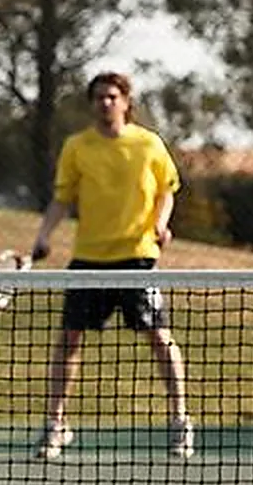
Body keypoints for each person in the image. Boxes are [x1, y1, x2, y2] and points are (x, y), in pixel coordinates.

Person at [28, 71, 193, 462]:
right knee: (68, 339)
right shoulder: (77, 147)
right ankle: (55, 425)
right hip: (89, 258)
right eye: (99, 97)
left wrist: (160, 224)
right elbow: (61, 199)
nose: (105, 103)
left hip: (137, 257)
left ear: (126, 102)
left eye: (112, 96)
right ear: (92, 104)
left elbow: (168, 190)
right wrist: (43, 236)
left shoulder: (149, 144)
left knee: (159, 337)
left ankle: (180, 421)